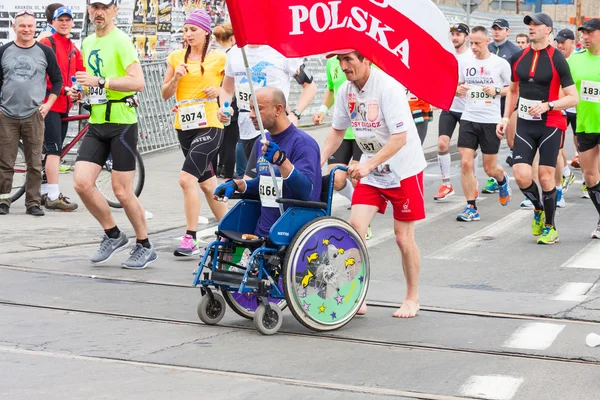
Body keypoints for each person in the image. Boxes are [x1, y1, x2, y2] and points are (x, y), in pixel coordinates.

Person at [320, 50, 427, 318]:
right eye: (340, 61)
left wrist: (368, 163)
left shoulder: (388, 87)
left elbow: (400, 137)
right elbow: (336, 130)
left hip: (403, 170)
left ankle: (412, 298)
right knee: (355, 230)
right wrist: (318, 160)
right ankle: (357, 294)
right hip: (373, 171)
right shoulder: (345, 90)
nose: (344, 66)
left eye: (349, 60)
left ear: (366, 59)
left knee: (403, 239)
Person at [68, 0, 157, 268]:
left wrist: (102, 82)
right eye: (94, 7)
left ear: (114, 10)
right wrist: (79, 92)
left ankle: (145, 245)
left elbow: (138, 82)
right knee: (81, 183)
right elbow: (90, 82)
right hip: (97, 122)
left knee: (121, 190)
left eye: (104, 7)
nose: (98, 12)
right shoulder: (87, 42)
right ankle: (113, 234)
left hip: (122, 123)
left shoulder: (121, 41)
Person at [496, 13, 578, 245]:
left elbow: (573, 98)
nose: (531, 28)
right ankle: (538, 209)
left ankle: (551, 227)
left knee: (544, 176)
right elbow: (512, 90)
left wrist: (549, 105)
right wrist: (504, 118)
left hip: (551, 123)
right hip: (524, 122)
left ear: (548, 30)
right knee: (522, 176)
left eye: (536, 25)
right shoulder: (519, 57)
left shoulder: (557, 59)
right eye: (529, 25)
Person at [214, 86, 321, 239]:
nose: (251, 115)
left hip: (290, 231)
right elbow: (266, 183)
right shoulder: (261, 142)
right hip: (261, 232)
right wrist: (239, 185)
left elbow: (305, 192)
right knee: (218, 248)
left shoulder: (304, 144)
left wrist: (282, 161)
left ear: (278, 110)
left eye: (258, 109)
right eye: (250, 109)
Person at [161, 10, 228, 257]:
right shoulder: (176, 57)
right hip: (185, 127)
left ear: (206, 32)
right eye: (186, 30)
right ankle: (233, 231)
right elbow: (165, 94)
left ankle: (190, 238)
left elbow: (231, 86)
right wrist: (176, 78)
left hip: (210, 125)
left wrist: (219, 90)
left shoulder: (220, 58)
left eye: (193, 30)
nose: (188, 34)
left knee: (186, 179)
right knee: (209, 186)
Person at [0, 10, 62, 216]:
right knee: (5, 162)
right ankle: (3, 200)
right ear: (14, 27)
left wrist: (49, 104)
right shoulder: (4, 50)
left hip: (34, 115)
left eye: (30, 26)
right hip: (6, 115)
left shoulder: (45, 52)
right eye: (22, 26)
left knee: (35, 163)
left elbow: (57, 80)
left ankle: (33, 203)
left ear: (35, 28)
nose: (26, 29)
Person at [217, 44, 317, 166]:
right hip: (246, 127)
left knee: (271, 178)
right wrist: (223, 107)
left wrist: (295, 114)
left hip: (274, 128)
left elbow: (310, 87)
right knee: (260, 180)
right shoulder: (234, 52)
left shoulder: (283, 50)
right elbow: (226, 90)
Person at [455, 26, 512, 222]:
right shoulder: (465, 62)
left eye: (477, 43)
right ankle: (471, 206)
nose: (473, 47)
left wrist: (496, 91)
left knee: (490, 168)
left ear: (487, 41)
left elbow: (512, 89)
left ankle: (502, 179)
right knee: (465, 162)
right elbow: (458, 86)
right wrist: (459, 90)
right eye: (471, 43)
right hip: (469, 117)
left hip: (490, 120)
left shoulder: (500, 63)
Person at [38, 6, 85, 211]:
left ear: (72, 23)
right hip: (48, 105)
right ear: (53, 22)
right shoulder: (46, 43)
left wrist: (79, 91)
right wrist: (64, 89)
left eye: (68, 20)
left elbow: (81, 73)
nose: (65, 24)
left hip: (65, 105)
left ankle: (45, 191)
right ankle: (53, 196)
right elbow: (42, 75)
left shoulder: (73, 48)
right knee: (54, 151)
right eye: (61, 20)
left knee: (53, 151)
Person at [567, 18, 600, 238]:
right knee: (589, 177)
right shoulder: (574, 60)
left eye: (590, 33)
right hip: (585, 123)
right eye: (583, 33)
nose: (585, 37)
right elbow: (564, 90)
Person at [435, 23, 473, 201]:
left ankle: (471, 180)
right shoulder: (447, 54)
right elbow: (440, 78)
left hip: (469, 109)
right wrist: (452, 89)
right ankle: (446, 184)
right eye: (453, 34)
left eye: (459, 34)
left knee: (468, 151)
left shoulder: (472, 56)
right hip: (450, 106)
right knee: (442, 144)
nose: (455, 37)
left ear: (466, 36)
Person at [488, 19, 522, 167]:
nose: (497, 31)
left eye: (500, 29)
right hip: (490, 102)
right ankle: (495, 177)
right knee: (491, 140)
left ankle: (521, 165)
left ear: (507, 32)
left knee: (511, 141)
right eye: (494, 28)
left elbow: (520, 80)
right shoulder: (486, 48)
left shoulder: (515, 51)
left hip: (510, 101)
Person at [213, 22, 239, 180]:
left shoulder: (212, 55)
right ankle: (227, 173)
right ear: (233, 37)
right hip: (230, 100)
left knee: (217, 137)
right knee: (230, 140)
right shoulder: (233, 54)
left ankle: (215, 169)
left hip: (214, 99)